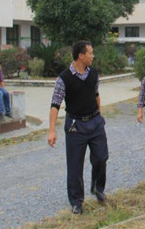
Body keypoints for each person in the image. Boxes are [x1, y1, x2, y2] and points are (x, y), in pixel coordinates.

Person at [47, 41, 108, 215]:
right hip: (75, 125)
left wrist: (100, 115)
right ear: (81, 56)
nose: (93, 56)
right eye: (90, 53)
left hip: (95, 122)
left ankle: (97, 188)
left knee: (101, 157)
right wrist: (52, 130)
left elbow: (96, 95)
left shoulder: (94, 74)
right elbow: (55, 105)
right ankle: (76, 201)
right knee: (75, 165)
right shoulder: (63, 79)